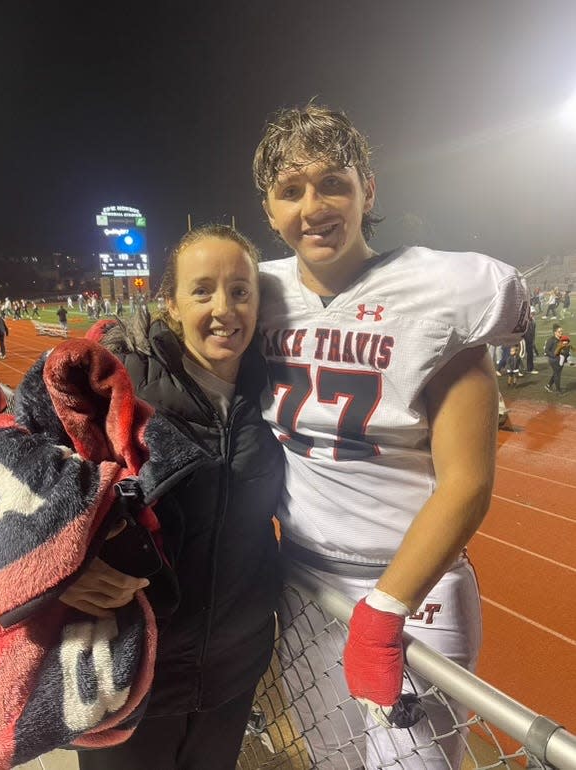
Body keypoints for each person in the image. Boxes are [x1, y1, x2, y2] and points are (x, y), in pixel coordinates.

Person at [252, 103, 529, 770]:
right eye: (291, 190)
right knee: (329, 760)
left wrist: (385, 606)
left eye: (333, 183)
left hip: (413, 593)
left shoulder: (442, 290)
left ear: (367, 189)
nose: (313, 206)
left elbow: (467, 481)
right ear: (268, 209)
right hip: (306, 582)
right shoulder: (258, 290)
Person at [69, 224, 284, 770]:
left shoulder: (277, 388)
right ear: (169, 303)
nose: (224, 308)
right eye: (202, 290)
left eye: (240, 290)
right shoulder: (116, 384)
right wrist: (62, 573)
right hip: (130, 680)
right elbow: (16, 485)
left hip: (231, 676)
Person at [544, 324, 565, 394]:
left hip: (560, 359)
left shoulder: (562, 339)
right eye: (559, 331)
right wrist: (554, 356)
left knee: (556, 373)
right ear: (555, 332)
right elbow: (546, 350)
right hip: (553, 360)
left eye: (561, 331)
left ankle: (548, 385)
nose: (561, 333)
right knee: (557, 375)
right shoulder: (551, 340)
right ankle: (558, 390)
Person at [522, 309, 538, 373]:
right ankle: (520, 368)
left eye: (533, 314)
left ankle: (530, 368)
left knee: (530, 354)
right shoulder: (525, 321)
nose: (532, 315)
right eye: (531, 313)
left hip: (529, 340)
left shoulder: (533, 321)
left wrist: (533, 341)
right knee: (521, 354)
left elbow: (533, 332)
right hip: (524, 340)